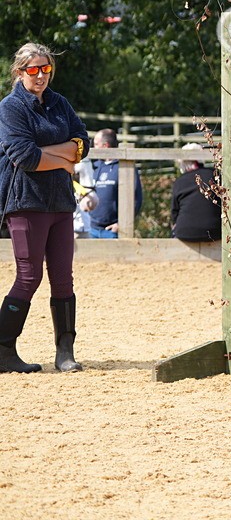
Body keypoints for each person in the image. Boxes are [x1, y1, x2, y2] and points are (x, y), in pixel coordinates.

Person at [0, 42, 90, 373]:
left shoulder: (59, 103)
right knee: (29, 276)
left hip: (61, 204)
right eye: (34, 70)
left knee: (63, 278)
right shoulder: (10, 108)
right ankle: (4, 349)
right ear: (19, 72)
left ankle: (65, 351)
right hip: (26, 202)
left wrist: (60, 154)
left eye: (46, 69)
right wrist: (64, 159)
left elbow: (83, 144)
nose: (41, 76)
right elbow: (24, 157)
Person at [85, 128, 143, 237]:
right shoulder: (94, 167)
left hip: (112, 231)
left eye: (96, 144)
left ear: (105, 146)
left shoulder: (124, 167)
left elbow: (136, 199)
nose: (93, 148)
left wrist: (121, 223)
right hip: (91, 228)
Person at [170, 143, 221, 242]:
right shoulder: (215, 176)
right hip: (215, 231)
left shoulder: (180, 181)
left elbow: (174, 214)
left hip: (185, 232)